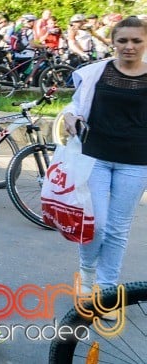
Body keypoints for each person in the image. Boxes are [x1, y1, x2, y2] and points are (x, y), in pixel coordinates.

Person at [61, 16, 147, 293]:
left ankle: (107, 288)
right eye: (122, 40)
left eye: (136, 40)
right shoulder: (96, 73)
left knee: (117, 230)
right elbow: (75, 105)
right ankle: (86, 276)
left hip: (136, 162)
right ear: (113, 42)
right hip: (94, 158)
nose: (129, 46)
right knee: (95, 224)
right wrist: (70, 117)